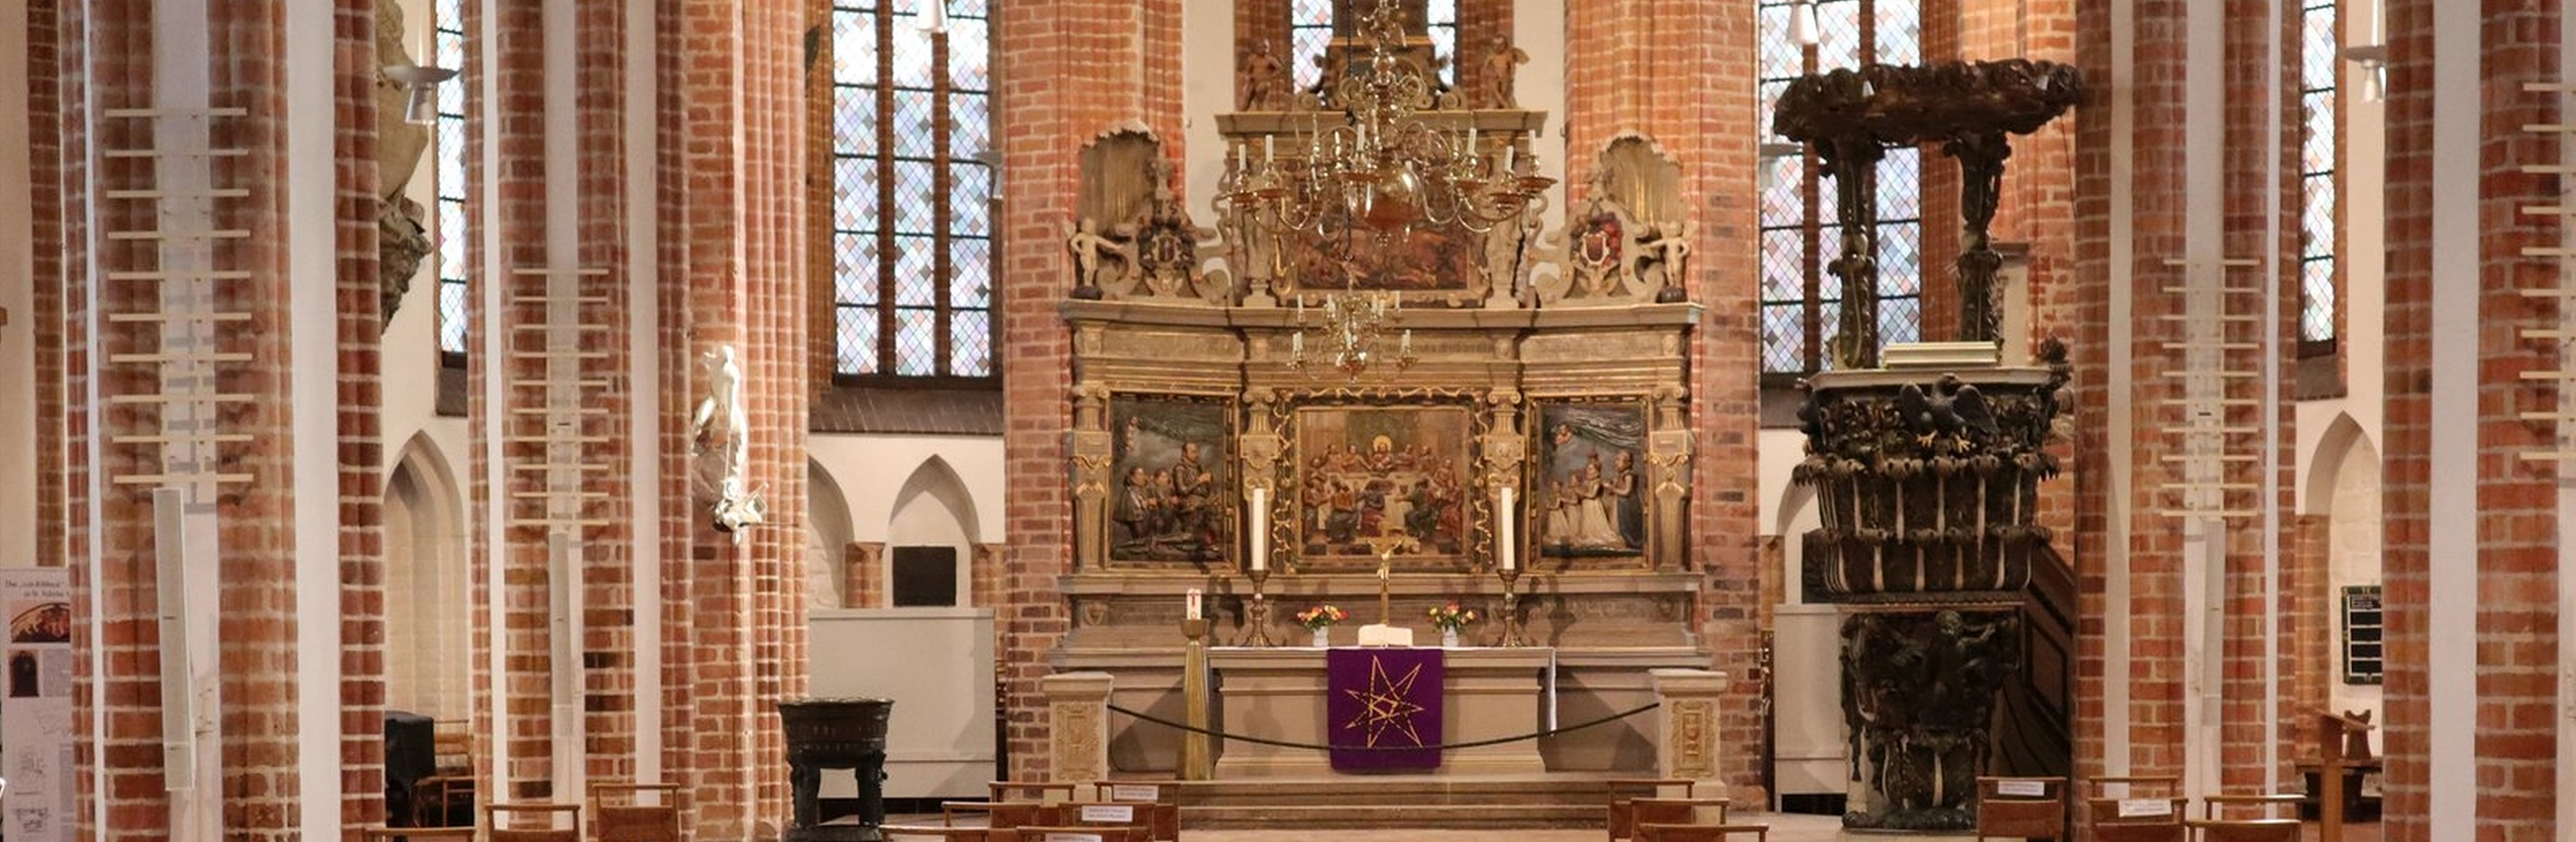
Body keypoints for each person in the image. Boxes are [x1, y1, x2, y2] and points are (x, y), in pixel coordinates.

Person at [1475, 37, 1529, 109]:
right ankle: (1501, 104)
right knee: (1494, 91)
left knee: (1507, 91)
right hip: (1495, 78)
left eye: (1500, 45)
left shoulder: (1507, 55)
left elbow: (1512, 66)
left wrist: (1511, 76)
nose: (1498, 47)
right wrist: (1491, 74)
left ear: (1505, 45)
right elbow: (1484, 68)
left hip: (1505, 77)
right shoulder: (1491, 56)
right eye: (1495, 45)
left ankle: (1508, 104)